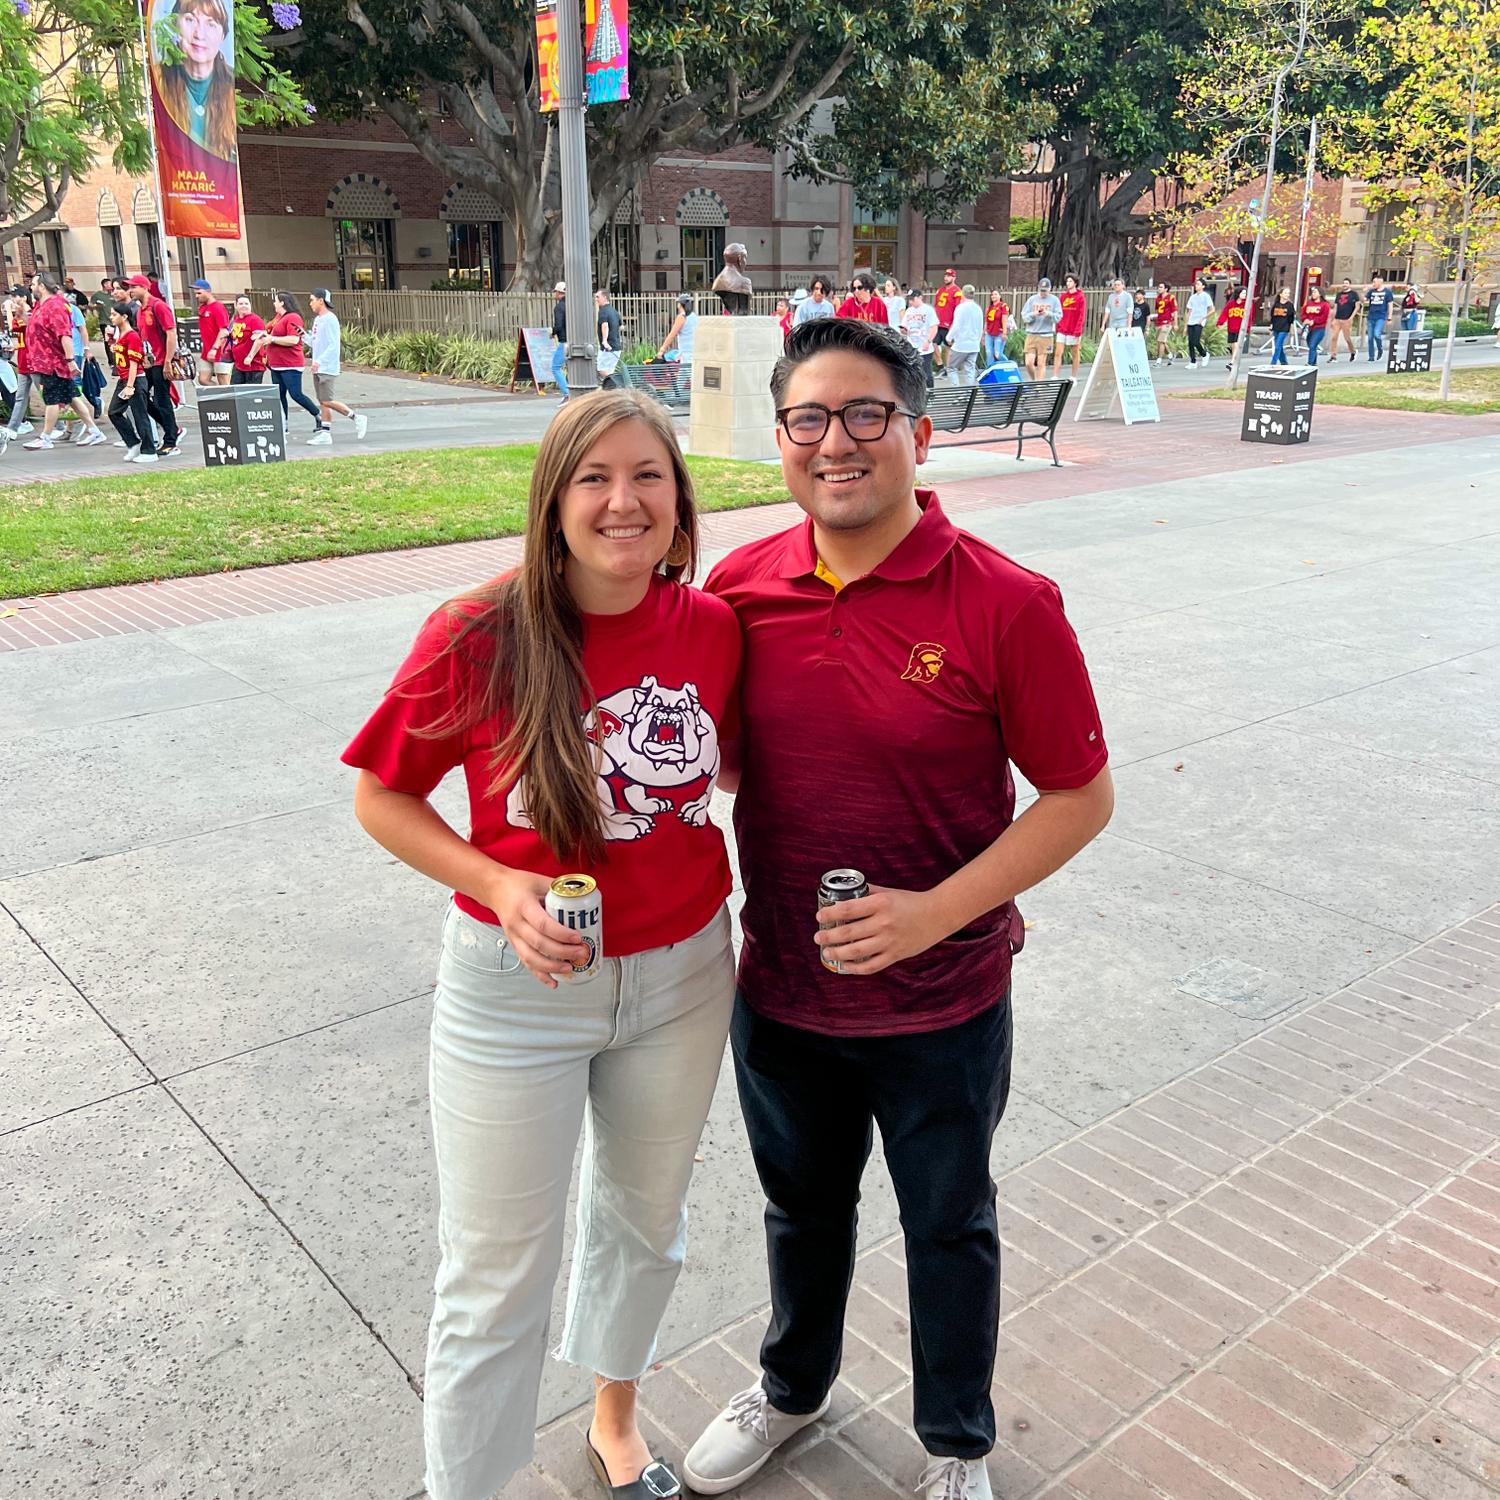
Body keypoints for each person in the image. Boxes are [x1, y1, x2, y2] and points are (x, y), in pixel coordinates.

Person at [683, 316, 1113, 1500]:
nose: (838, 442)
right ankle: (791, 1388)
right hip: (782, 988)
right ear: (779, 442)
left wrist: (934, 913)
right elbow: (713, 759)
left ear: (918, 434)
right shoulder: (741, 588)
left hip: (944, 998)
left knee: (949, 1223)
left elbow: (1080, 796)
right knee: (800, 1211)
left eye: (866, 415)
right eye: (808, 420)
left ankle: (956, 1447)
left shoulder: (1007, 603)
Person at [344, 389, 739, 1500]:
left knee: (643, 1221)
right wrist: (494, 881)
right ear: (554, 502)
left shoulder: (710, 631)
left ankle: (617, 1421)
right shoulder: (479, 632)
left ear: (680, 495)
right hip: (514, 995)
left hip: (685, 976)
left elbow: (736, 773)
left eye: (648, 476)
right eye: (595, 479)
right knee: (492, 1272)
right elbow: (384, 798)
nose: (625, 501)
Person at [18, 273, 106, 451]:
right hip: (45, 361)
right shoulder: (40, 306)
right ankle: (94, 430)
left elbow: (64, 335)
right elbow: (34, 327)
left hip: (54, 363)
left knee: (52, 399)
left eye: (34, 284)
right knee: (72, 397)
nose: (31, 288)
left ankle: (45, 436)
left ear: (42, 286)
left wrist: (70, 360)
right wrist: (22, 313)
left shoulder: (56, 306)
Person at [152, 0, 237, 160]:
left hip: (220, 183)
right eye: (190, 20)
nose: (199, 34)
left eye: (211, 24)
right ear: (174, 24)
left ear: (223, 35)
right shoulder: (157, 80)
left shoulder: (234, 88)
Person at [125, 274, 182, 455]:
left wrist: (167, 361)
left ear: (144, 287)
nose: (130, 290)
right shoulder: (140, 309)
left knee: (162, 400)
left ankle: (171, 440)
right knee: (141, 397)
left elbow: (171, 333)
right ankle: (171, 427)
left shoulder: (158, 306)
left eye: (133, 287)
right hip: (149, 362)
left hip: (160, 361)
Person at [255, 289, 323, 433]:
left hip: (290, 364)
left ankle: (318, 414)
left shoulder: (293, 317)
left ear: (282, 302)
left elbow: (294, 339)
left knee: (295, 394)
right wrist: (264, 335)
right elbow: (271, 331)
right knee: (279, 395)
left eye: (276, 301)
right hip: (276, 365)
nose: (274, 303)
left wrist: (272, 339)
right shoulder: (278, 318)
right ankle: (283, 424)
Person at [306, 289, 368, 444]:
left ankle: (356, 417)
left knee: (327, 400)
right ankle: (325, 434)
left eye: (312, 299)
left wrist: (320, 360)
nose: (310, 303)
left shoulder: (330, 319)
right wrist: (303, 336)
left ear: (321, 301)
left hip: (327, 367)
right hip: (318, 366)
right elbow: (315, 342)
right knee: (322, 400)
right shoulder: (318, 320)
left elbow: (333, 345)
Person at [105, 302, 159, 464]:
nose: (111, 317)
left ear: (125, 317)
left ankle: (149, 450)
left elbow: (135, 363)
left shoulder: (132, 336)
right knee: (114, 412)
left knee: (140, 415)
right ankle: (133, 442)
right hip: (123, 379)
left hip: (134, 380)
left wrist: (130, 386)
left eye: (114, 314)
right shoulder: (120, 335)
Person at [3, 286, 37, 441]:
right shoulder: (22, 313)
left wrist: (10, 311)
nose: (13, 301)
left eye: (15, 297)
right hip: (24, 358)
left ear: (23, 297)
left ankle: (60, 425)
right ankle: (13, 427)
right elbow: (23, 338)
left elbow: (13, 329)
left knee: (46, 393)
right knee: (20, 396)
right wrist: (16, 346)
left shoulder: (29, 313)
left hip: (34, 360)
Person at [1019, 276, 1061, 380]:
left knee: (1041, 363)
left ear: (1050, 289)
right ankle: (1034, 380)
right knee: (1028, 363)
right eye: (1041, 290)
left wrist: (1047, 314)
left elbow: (1058, 317)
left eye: (1045, 291)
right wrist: (1034, 314)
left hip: (1046, 335)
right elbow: (1024, 316)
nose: (1043, 293)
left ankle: (1039, 386)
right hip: (1032, 333)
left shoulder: (1054, 300)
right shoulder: (1032, 299)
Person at [193, 279, 232, 386]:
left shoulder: (218, 307)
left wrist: (215, 348)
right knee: (203, 379)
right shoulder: (203, 307)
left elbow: (224, 330)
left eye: (199, 293)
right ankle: (218, 397)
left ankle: (227, 400)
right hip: (207, 349)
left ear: (208, 291)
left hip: (220, 350)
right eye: (196, 293)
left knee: (223, 381)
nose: (197, 296)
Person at [901, 288, 938, 390]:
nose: (911, 302)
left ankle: (930, 393)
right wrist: (904, 330)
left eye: (913, 299)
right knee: (913, 372)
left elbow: (934, 327)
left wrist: (928, 341)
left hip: (925, 346)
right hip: (912, 345)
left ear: (920, 298)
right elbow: (905, 325)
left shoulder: (928, 310)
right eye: (909, 300)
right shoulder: (909, 311)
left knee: (926, 371)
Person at [946, 282, 983, 385]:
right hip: (974, 345)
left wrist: (949, 337)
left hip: (961, 344)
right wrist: (978, 340)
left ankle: (957, 391)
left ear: (963, 294)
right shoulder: (978, 309)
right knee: (970, 369)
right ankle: (968, 394)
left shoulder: (960, 308)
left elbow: (956, 325)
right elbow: (980, 327)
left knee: (951, 367)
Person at [1051, 273, 1086, 378]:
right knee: (1058, 353)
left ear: (1075, 283)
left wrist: (1078, 330)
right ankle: (1055, 376)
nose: (1068, 283)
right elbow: (1059, 312)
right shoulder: (1063, 297)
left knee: (1075, 353)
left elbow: (1081, 315)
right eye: (1067, 281)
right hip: (1062, 329)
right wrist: (1058, 326)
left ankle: (1073, 376)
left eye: (1070, 281)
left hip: (1073, 329)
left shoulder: (1080, 297)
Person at [229, 294, 268, 384]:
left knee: (250, 395)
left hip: (253, 365)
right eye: (241, 303)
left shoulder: (255, 320)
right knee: (235, 391)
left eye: (246, 303)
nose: (244, 306)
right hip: (238, 364)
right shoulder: (235, 319)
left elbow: (260, 339)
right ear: (236, 305)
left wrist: (250, 356)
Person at [932, 267, 961, 374]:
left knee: (949, 347)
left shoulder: (957, 291)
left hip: (949, 324)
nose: (946, 278)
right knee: (933, 344)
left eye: (949, 276)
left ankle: (949, 369)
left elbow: (958, 310)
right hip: (938, 323)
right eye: (945, 275)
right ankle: (940, 366)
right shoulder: (940, 290)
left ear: (954, 277)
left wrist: (955, 325)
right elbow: (936, 306)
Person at [595, 287, 622, 390]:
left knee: (601, 369)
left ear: (605, 297)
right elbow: (620, 326)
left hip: (607, 348)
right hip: (616, 346)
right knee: (610, 371)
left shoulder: (603, 311)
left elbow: (605, 325)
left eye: (598, 297)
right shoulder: (614, 311)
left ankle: (616, 386)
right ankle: (610, 390)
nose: (596, 299)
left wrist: (605, 341)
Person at [1184, 277, 1214, 368]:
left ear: (1203, 286)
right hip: (1191, 321)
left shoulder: (1206, 296)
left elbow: (1212, 309)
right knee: (1190, 342)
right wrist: (1186, 325)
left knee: (1196, 341)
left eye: (1198, 284)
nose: (1196, 286)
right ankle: (1193, 362)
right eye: (1196, 284)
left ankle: (1204, 354)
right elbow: (1189, 311)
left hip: (1199, 321)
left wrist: (1203, 318)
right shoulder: (1192, 297)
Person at [1328, 278, 1360, 361]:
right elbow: (1335, 307)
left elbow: (1357, 307)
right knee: (1334, 337)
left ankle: (1353, 351)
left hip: (1347, 319)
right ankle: (1333, 356)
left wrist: (1351, 318)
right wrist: (1332, 319)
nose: (1345, 284)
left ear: (1349, 284)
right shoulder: (1339, 294)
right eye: (1344, 283)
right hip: (1337, 319)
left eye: (1346, 283)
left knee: (1347, 338)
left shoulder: (1354, 294)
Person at [1365, 273, 1395, 361]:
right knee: (1370, 337)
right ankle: (1371, 356)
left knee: (1376, 334)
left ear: (1380, 282)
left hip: (1381, 316)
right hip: (1371, 316)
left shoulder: (1387, 292)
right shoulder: (1371, 291)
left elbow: (1390, 305)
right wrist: (1364, 292)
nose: (1373, 284)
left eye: (1374, 282)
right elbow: (1364, 300)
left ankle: (1380, 348)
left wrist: (1389, 317)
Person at [1217, 286, 1247, 367]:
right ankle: (1235, 361)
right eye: (1243, 293)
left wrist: (1247, 328)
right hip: (1231, 327)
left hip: (1241, 328)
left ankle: (1232, 361)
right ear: (1238, 293)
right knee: (1233, 345)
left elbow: (1249, 317)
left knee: (1236, 344)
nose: (1245, 295)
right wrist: (1220, 322)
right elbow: (1225, 313)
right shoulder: (1231, 303)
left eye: (1245, 293)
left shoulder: (1246, 304)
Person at [1301, 283, 1330, 365]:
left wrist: (1314, 321)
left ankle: (1310, 363)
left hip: (1319, 328)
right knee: (1310, 345)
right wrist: (1305, 319)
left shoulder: (1325, 305)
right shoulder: (1309, 303)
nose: (1313, 294)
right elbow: (1303, 313)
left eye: (1315, 292)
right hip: (1308, 328)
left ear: (1320, 294)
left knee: (1313, 345)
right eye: (1312, 292)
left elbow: (1324, 317)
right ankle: (1314, 362)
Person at [550, 282, 569, 403]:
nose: (555, 294)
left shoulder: (559, 307)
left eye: (556, 292)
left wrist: (552, 333)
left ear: (559, 293)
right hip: (575, 340)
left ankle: (567, 393)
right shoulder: (573, 305)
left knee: (555, 367)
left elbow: (559, 325)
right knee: (571, 366)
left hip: (564, 341)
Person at [983, 289, 1012, 366]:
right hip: (989, 333)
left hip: (999, 333)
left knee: (997, 354)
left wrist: (1004, 333)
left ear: (1000, 296)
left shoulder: (1003, 306)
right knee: (989, 353)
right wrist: (983, 334)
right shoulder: (989, 308)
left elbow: (1004, 320)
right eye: (992, 294)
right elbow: (986, 322)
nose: (993, 296)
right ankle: (990, 371)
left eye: (995, 294)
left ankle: (1009, 365)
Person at [1268, 286, 1295, 365]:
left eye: (1288, 293)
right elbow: (1273, 316)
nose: (1287, 295)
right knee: (1279, 347)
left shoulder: (1290, 305)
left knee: (1277, 346)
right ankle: (1284, 362)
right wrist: (1271, 326)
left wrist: (1291, 328)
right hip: (1276, 327)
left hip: (1284, 328)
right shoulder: (1276, 305)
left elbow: (1291, 318)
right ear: (1280, 294)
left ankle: (1273, 362)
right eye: (1285, 293)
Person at [1152, 282, 1177, 365]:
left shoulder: (1171, 297)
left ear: (1166, 289)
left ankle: (1159, 360)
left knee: (1161, 340)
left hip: (1167, 322)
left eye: (1161, 287)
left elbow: (1175, 311)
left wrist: (1175, 323)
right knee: (1161, 341)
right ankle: (1170, 355)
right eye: (1158, 287)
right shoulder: (1158, 298)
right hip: (1159, 322)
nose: (1159, 288)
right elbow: (1157, 310)